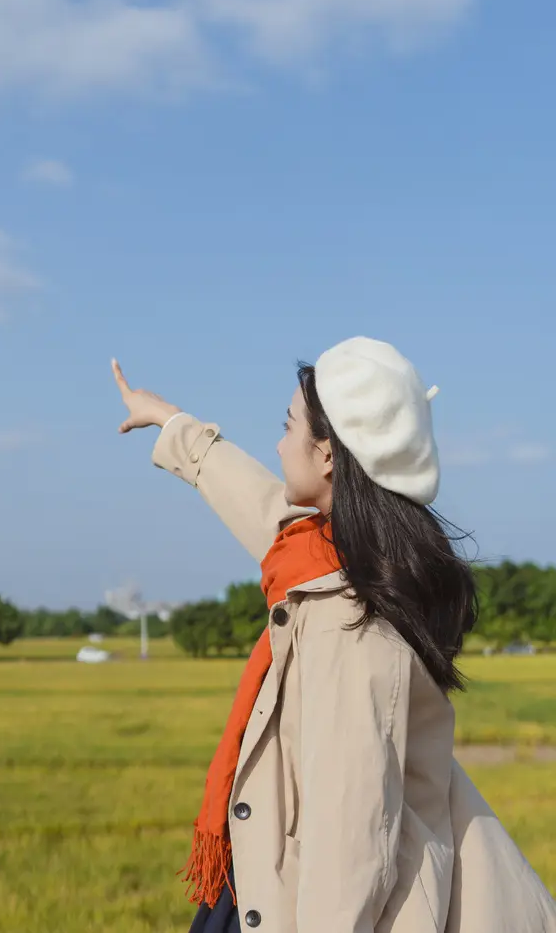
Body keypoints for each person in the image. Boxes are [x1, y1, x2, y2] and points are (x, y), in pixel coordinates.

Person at [112, 338, 556, 933]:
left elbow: (351, 850)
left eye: (288, 424)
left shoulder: (353, 630)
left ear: (326, 455)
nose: (277, 443)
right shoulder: (341, 558)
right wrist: (173, 425)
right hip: (271, 878)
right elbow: (263, 507)